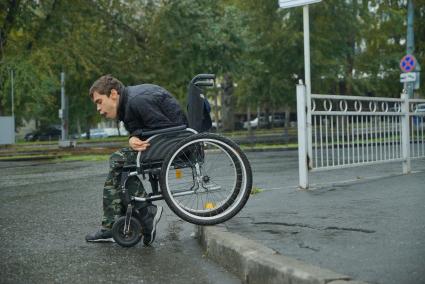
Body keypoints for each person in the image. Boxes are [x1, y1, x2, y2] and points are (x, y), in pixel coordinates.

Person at [85, 75, 187, 245]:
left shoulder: (137, 100)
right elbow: (143, 128)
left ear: (113, 94)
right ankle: (123, 222)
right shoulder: (128, 103)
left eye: (99, 101)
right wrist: (133, 138)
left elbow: (164, 128)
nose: (98, 108)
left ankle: (143, 213)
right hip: (166, 143)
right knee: (119, 162)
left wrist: (134, 138)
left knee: (119, 160)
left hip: (172, 145)